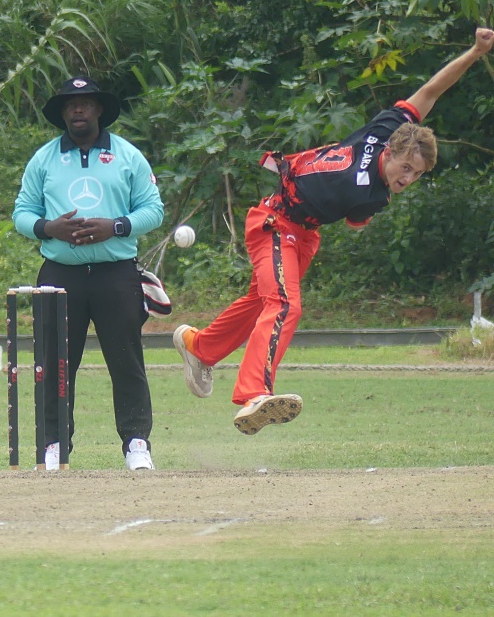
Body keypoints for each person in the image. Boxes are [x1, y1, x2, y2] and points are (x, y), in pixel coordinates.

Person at [173, 27, 494, 435]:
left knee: (262, 302)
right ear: (391, 152)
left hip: (302, 234)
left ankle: (200, 348)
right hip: (274, 225)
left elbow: (429, 93)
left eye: (418, 174)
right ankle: (254, 393)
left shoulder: (385, 129)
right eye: (406, 168)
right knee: (286, 305)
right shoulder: (368, 195)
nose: (408, 178)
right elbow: (356, 222)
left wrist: (474, 52)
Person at [12, 75, 165, 471]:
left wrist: (113, 226)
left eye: (85, 103)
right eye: (70, 104)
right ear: (63, 112)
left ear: (99, 109)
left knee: (125, 359)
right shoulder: (44, 159)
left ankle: (136, 443)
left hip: (116, 273)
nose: (77, 109)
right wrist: (50, 228)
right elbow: (22, 214)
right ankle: (53, 446)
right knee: (55, 361)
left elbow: (153, 211)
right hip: (60, 273)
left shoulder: (128, 156)